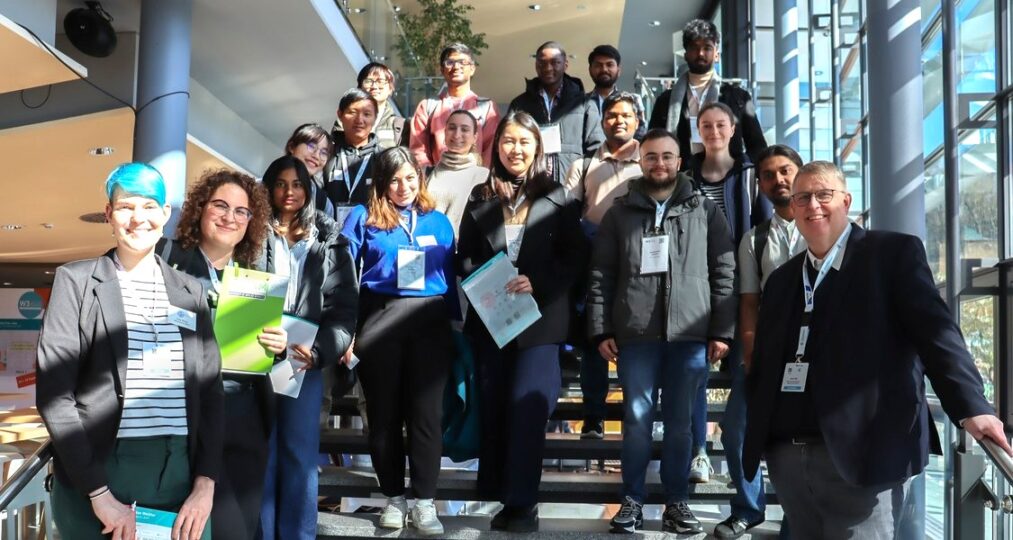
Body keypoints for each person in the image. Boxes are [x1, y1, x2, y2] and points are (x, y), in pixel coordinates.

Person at [743, 161, 1013, 538]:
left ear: (846, 201)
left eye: (824, 195)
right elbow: (767, 361)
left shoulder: (891, 255)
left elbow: (936, 334)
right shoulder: (782, 280)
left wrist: (972, 407)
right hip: (789, 460)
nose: (812, 205)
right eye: (802, 198)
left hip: (864, 456)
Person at [38, 163, 223, 540]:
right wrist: (99, 495)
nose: (138, 218)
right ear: (109, 213)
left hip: (180, 479)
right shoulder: (76, 283)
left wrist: (205, 484)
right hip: (98, 476)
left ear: (166, 213)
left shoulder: (190, 292)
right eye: (126, 206)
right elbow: (55, 396)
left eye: (150, 206)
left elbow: (210, 394)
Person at [587, 129, 735, 535]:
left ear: (679, 162)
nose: (659, 164)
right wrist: (601, 329)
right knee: (636, 420)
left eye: (667, 156)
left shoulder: (705, 211)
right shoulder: (619, 213)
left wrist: (721, 331)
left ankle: (676, 502)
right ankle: (632, 500)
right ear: (641, 162)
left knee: (681, 424)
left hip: (690, 335)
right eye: (651, 156)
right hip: (635, 335)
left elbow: (724, 272)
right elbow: (601, 275)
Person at [457, 111, 587, 532]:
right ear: (496, 146)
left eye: (524, 141)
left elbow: (575, 256)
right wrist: (488, 279)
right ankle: (502, 496)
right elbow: (465, 255)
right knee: (495, 409)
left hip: (540, 322)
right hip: (493, 319)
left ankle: (523, 502)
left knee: (526, 411)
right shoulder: (480, 196)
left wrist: (538, 282)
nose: (516, 149)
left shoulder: (557, 196)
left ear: (537, 147)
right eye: (508, 141)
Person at [157, 170, 286, 540]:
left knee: (236, 528)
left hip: (240, 419)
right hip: (179, 416)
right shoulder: (165, 261)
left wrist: (276, 348)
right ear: (200, 208)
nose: (231, 217)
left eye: (241, 211)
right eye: (220, 206)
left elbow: (260, 362)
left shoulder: (252, 277)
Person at [340, 147, 457, 536]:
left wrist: (455, 328)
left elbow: (450, 278)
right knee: (384, 416)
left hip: (430, 321)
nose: (403, 187)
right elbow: (344, 275)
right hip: (380, 318)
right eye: (394, 180)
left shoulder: (438, 221)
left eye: (409, 178)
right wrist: (346, 331)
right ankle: (393, 497)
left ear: (420, 179)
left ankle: (424, 502)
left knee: (426, 417)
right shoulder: (363, 217)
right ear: (381, 183)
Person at [258, 155, 358, 540]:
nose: (289, 192)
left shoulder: (330, 241)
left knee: (299, 455)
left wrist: (320, 352)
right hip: (255, 353)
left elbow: (343, 309)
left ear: (309, 189)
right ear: (269, 187)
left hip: (302, 357)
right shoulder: (252, 233)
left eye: (298, 184)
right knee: (262, 451)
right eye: (281, 184)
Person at [712, 144, 805, 539]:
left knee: (801, 437)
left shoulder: (826, 228)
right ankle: (748, 507)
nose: (778, 180)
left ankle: (797, 519)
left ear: (800, 173)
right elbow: (749, 302)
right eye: (768, 175)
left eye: (785, 171)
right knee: (736, 430)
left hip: (817, 353)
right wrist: (749, 355)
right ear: (761, 186)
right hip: (767, 350)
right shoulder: (755, 239)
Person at [686, 101, 773, 484]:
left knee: (743, 373)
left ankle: (738, 456)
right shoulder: (687, 176)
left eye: (721, 124)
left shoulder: (749, 175)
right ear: (698, 130)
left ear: (733, 129)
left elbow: (763, 227)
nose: (714, 131)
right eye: (706, 125)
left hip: (743, 290)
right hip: (695, 288)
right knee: (693, 375)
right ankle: (699, 451)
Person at [563, 92, 644, 439]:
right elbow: (568, 216)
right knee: (595, 341)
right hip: (594, 265)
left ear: (638, 121)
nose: (618, 121)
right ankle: (593, 416)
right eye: (611, 115)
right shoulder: (583, 165)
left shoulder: (649, 162)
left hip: (637, 266)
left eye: (626, 115)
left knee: (634, 344)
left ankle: (636, 418)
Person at [648, 19, 766, 168]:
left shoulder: (738, 98)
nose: (701, 53)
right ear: (685, 54)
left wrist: (740, 168)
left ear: (716, 54)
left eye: (707, 48)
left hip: (727, 175)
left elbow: (758, 147)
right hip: (680, 177)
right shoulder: (666, 101)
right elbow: (651, 143)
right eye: (694, 48)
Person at [507, 41, 604, 184]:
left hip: (571, 187)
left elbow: (596, 148)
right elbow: (507, 142)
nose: (548, 68)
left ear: (565, 65)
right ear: (536, 65)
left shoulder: (585, 104)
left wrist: (583, 182)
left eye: (555, 62)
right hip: (529, 186)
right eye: (542, 63)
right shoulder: (520, 104)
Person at [410, 43, 500, 169]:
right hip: (437, 177)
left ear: (472, 69)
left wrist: (480, 177)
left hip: (475, 177)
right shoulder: (427, 107)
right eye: (450, 62)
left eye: (462, 62)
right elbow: (418, 151)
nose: (456, 67)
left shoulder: (486, 108)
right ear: (442, 70)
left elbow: (490, 152)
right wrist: (431, 176)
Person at [426, 109, 489, 236]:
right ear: (445, 133)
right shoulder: (427, 174)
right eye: (452, 128)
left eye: (464, 129)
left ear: (475, 137)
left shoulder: (484, 177)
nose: (457, 135)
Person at [326, 88, 381, 227]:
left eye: (367, 114)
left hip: (372, 231)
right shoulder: (326, 154)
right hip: (329, 232)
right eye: (352, 112)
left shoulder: (384, 158)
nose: (359, 120)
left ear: (375, 118)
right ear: (340, 115)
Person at [585, 45, 646, 139]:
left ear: (618, 70)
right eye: (598, 65)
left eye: (609, 65)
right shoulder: (579, 103)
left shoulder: (633, 100)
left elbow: (640, 136)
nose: (604, 69)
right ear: (590, 70)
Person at [354, 62, 407, 149]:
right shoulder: (347, 119)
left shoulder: (401, 126)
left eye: (380, 81)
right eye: (368, 81)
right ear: (359, 88)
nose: (374, 86)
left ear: (390, 89)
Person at [285, 123, 334, 216]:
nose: (316, 156)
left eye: (324, 153)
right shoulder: (264, 186)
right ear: (292, 147)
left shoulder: (324, 203)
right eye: (311, 146)